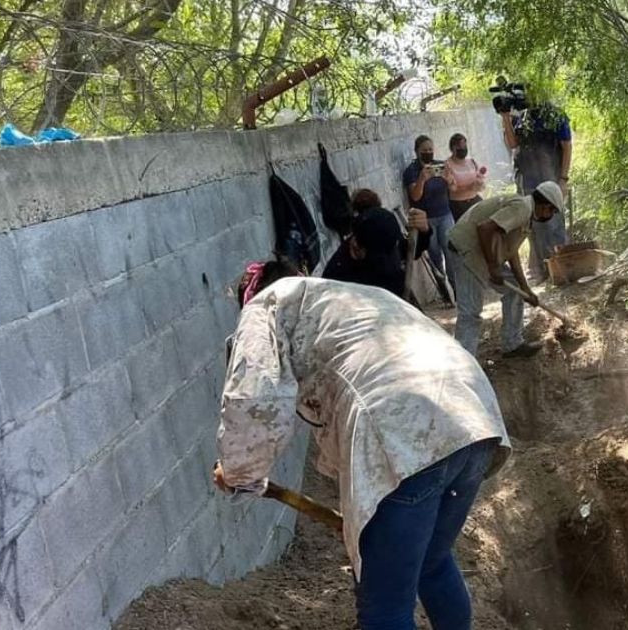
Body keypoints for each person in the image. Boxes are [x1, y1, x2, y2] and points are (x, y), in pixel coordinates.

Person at [213, 260, 511, 630]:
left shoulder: (265, 306)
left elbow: (253, 397)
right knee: (432, 563)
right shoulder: (349, 298)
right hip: (473, 419)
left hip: (405, 434)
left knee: (385, 612)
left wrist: (239, 471)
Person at [447, 181, 565, 358]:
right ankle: (464, 364)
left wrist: (525, 289)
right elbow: (485, 229)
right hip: (468, 250)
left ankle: (512, 344)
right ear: (545, 206)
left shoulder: (526, 215)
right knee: (470, 313)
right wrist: (493, 267)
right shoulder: (522, 208)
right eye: (552, 211)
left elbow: (511, 252)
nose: (550, 216)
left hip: (482, 250)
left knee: (515, 291)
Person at [500, 103, 571, 284]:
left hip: (551, 180)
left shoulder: (554, 114)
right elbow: (513, 144)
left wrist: (563, 179)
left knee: (554, 227)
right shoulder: (520, 117)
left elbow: (567, 145)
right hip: (528, 183)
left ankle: (562, 273)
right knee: (534, 230)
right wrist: (505, 117)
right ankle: (545, 273)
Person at [323, 188, 430, 298]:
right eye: (380, 259)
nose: (387, 262)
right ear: (357, 248)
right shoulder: (338, 277)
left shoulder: (385, 233)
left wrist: (424, 232)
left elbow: (412, 252)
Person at [403, 135, 456, 291]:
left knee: (450, 252)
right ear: (417, 151)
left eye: (430, 150)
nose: (428, 153)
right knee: (435, 256)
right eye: (424, 150)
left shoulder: (440, 166)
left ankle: (455, 289)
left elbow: (453, 189)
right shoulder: (411, 171)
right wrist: (422, 179)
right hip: (427, 221)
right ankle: (445, 292)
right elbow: (415, 196)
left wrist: (449, 179)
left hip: (445, 214)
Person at [444, 133, 487, 222]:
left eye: (464, 145)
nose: (463, 148)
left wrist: (480, 184)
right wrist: (469, 187)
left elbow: (480, 181)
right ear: (453, 148)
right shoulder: (447, 165)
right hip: (458, 205)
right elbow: (452, 188)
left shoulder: (472, 162)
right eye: (460, 146)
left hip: (475, 201)